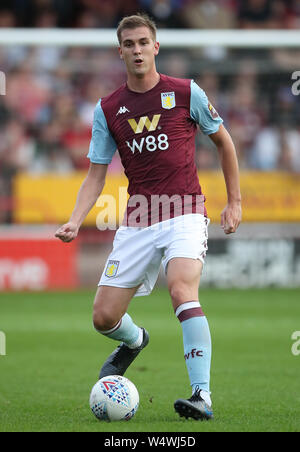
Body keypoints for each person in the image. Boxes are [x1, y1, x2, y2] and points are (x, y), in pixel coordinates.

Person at [55, 13, 242, 421]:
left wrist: (234, 201)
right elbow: (95, 174)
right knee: (104, 318)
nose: (137, 50)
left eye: (143, 42)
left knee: (181, 290)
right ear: (119, 51)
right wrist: (75, 218)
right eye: (129, 44)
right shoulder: (108, 109)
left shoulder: (186, 91)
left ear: (155, 47)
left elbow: (224, 143)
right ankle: (135, 340)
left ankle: (201, 395)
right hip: (139, 218)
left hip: (186, 213)